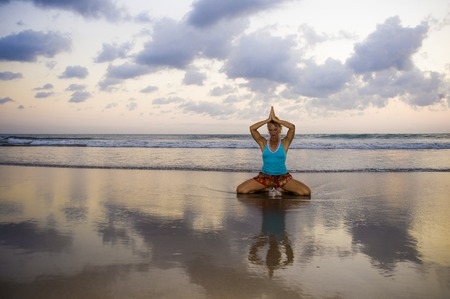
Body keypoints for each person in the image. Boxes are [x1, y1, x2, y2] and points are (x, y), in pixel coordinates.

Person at [236, 107, 311, 196]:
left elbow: (292, 127)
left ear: (279, 129)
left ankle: (279, 187)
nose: (273, 132)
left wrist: (276, 120)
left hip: (282, 177)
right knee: (241, 190)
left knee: (306, 192)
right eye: (270, 130)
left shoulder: (285, 142)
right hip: (265, 177)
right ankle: (267, 187)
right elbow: (252, 128)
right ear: (268, 130)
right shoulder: (263, 143)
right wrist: (267, 120)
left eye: (275, 129)